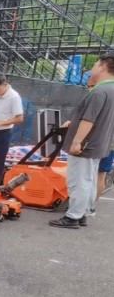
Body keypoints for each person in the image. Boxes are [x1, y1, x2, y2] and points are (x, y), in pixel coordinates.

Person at [49, 52, 114, 228]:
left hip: (86, 144)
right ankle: (83, 212)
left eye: (95, 64)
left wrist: (77, 141)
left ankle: (73, 216)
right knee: (89, 179)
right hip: (99, 143)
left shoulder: (99, 91)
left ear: (103, 66)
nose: (92, 68)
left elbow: (88, 119)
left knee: (79, 181)